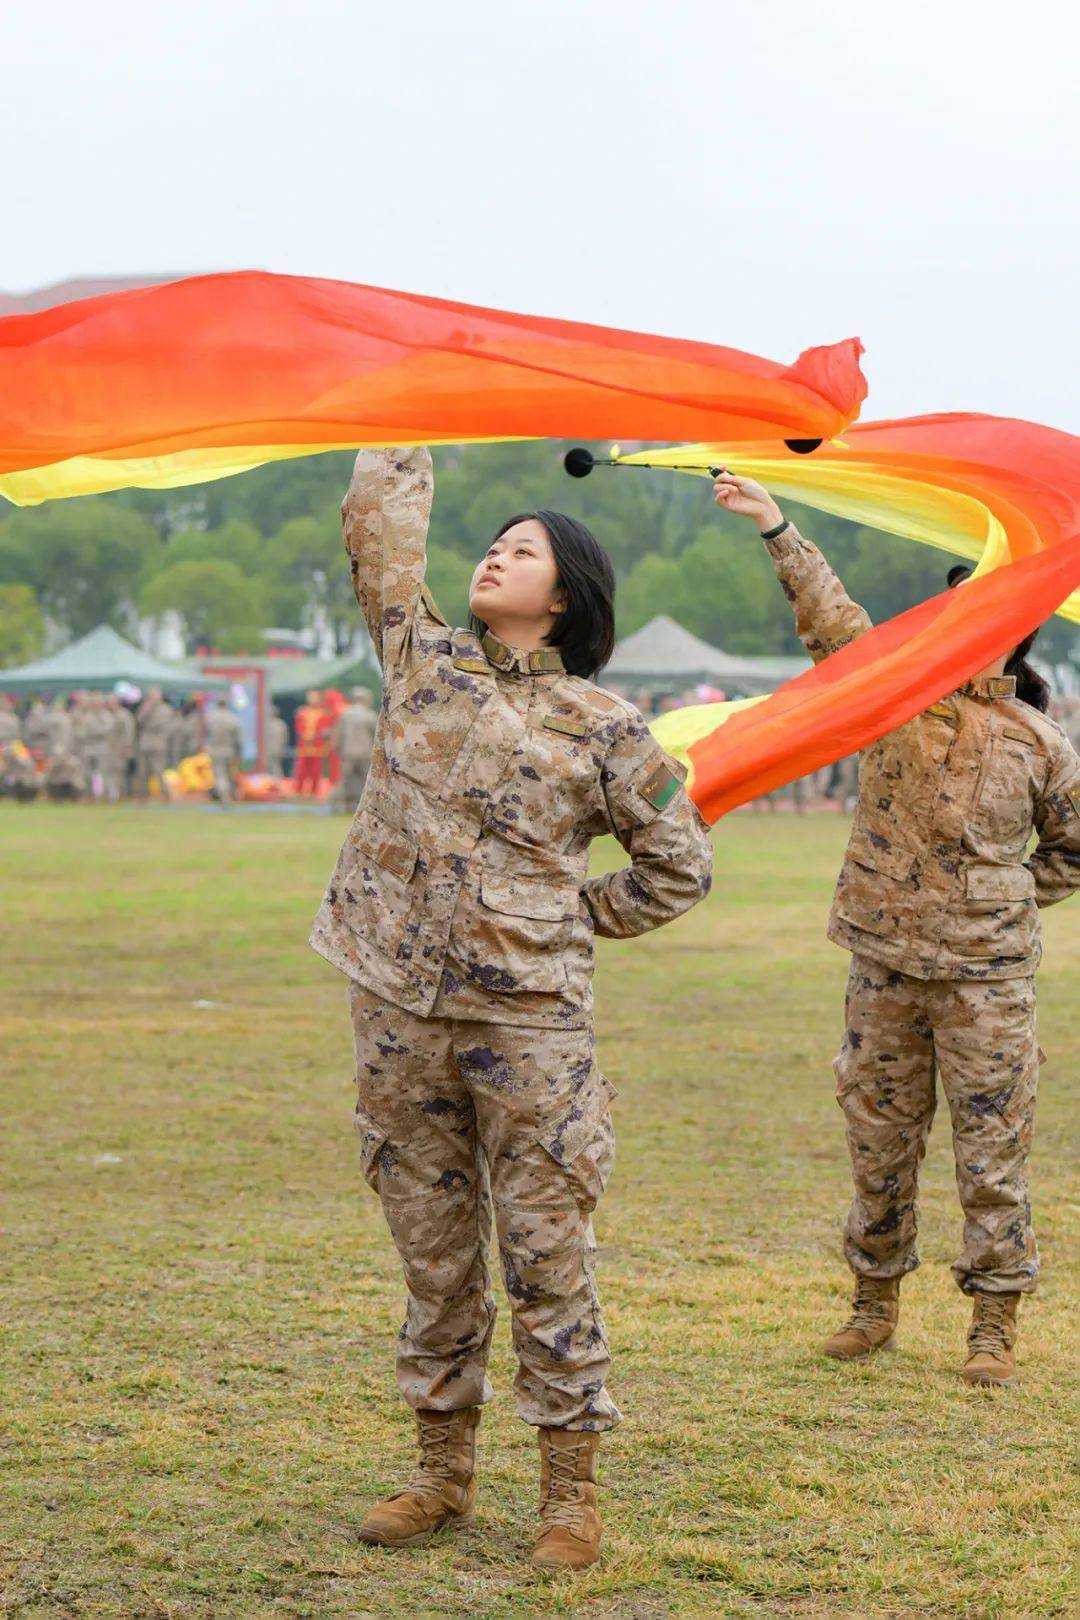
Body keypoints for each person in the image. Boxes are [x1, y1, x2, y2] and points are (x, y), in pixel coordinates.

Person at [310, 447, 712, 1569]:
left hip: (530, 1027)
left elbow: (678, 867)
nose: (495, 555)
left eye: (521, 548)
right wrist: (404, 427)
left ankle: (569, 1496)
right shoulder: (423, 662)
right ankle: (441, 1476)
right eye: (494, 543)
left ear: (566, 594)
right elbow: (380, 538)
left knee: (546, 1254)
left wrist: (567, 917)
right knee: (432, 1255)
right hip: (398, 1010)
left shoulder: (604, 726)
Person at [713, 468, 1080, 1388]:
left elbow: (1076, 849)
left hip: (986, 979)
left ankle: (992, 1324)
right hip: (883, 965)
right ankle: (873, 1302)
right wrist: (776, 525)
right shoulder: (889, 695)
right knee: (877, 1140)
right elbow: (832, 620)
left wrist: (1002, 895)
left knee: (993, 1149)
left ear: (1016, 627)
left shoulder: (1040, 742)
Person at [331, 687, 376, 809]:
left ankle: (338, 804)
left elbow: (338, 734)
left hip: (348, 752)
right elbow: (376, 735)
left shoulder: (345, 715)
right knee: (365, 780)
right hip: (365, 752)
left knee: (345, 779)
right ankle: (365, 805)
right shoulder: (369, 715)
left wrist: (338, 749)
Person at [135, 688, 174, 796]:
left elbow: (168, 727)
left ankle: (165, 793)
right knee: (143, 770)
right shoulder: (145, 707)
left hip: (158, 741)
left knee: (159, 769)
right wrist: (148, 708)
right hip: (145, 741)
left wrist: (162, 738)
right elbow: (139, 720)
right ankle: (142, 793)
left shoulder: (165, 709)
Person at [205, 699, 244, 803]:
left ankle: (224, 795)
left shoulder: (211, 717)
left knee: (219, 774)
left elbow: (206, 733)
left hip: (215, 750)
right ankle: (233, 795)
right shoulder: (233, 718)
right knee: (229, 774)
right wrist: (239, 753)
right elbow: (239, 739)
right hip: (229, 749)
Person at [294, 688, 328, 795]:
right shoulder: (302, 713)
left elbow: (324, 730)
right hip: (303, 746)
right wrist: (306, 737)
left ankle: (314, 792)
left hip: (317, 747)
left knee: (315, 771)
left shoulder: (322, 714)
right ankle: (299, 791)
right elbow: (298, 728)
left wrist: (314, 738)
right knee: (301, 771)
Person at [265, 704, 290, 777]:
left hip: (274, 748)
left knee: (275, 765)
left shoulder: (277, 724)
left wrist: (282, 747)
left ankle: (277, 780)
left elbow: (285, 737)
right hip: (274, 748)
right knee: (273, 765)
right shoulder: (281, 724)